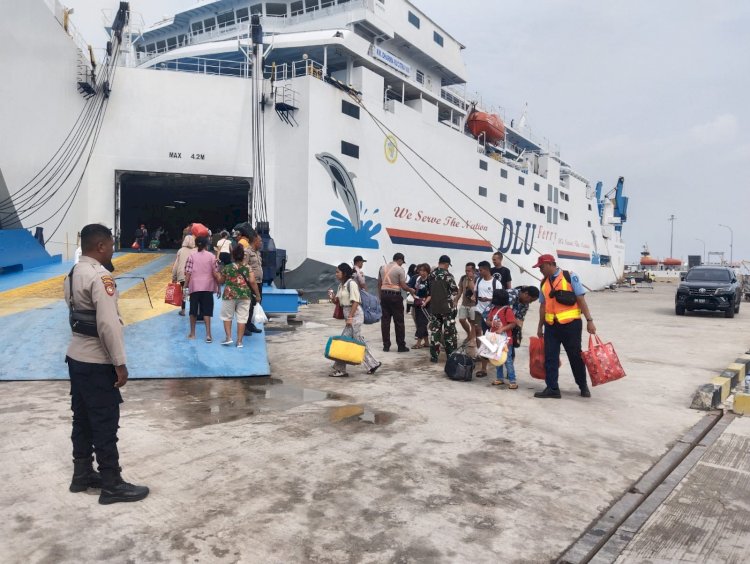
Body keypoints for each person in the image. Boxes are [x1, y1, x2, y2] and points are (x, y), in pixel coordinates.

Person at [64, 223, 149, 504]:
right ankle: (112, 483)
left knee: (82, 418)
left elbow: (73, 310)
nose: (113, 249)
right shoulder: (101, 277)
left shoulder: (73, 272)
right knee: (104, 422)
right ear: (100, 247)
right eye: (111, 245)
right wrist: (119, 363)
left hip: (76, 356)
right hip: (97, 362)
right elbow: (108, 325)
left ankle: (82, 474)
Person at [534, 254, 596, 399]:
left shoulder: (569, 276)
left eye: (541, 267)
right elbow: (543, 306)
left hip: (571, 326)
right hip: (551, 326)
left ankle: (583, 386)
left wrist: (589, 320)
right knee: (550, 358)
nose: (540, 270)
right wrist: (540, 326)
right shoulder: (543, 283)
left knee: (575, 357)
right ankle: (552, 388)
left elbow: (580, 299)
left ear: (550, 264)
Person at [327, 263, 381, 377]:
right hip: (349, 315)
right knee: (356, 341)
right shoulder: (341, 285)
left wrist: (350, 317)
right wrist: (332, 298)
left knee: (345, 340)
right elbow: (338, 302)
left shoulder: (351, 284)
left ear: (344, 273)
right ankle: (372, 364)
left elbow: (356, 301)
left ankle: (340, 369)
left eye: (338, 272)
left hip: (355, 315)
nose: (336, 274)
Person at [218, 245, 259, 348]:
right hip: (244, 295)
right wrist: (257, 295)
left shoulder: (227, 267)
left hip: (229, 295)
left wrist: (216, 273)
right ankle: (239, 342)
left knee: (227, 316)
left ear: (232, 255)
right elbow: (253, 281)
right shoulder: (247, 267)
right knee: (242, 318)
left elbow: (221, 281)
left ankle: (228, 338)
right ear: (243, 256)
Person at [185, 236, 221, 342]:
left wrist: (185, 287)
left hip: (194, 287)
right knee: (207, 311)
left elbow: (188, 273)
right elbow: (215, 273)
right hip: (208, 287)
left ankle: (192, 333)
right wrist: (218, 287)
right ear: (206, 245)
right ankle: (208, 335)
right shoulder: (211, 256)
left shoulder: (191, 256)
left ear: (196, 245)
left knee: (193, 311)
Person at [378, 252, 416, 352]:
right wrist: (410, 290)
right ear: (399, 260)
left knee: (385, 322)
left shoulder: (382, 268)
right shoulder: (399, 269)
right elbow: (403, 286)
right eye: (402, 262)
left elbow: (379, 283)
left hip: (384, 295)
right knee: (399, 322)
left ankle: (386, 345)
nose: (402, 264)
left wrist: (380, 297)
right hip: (395, 297)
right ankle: (401, 346)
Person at [427, 255, 459, 363]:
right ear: (446, 264)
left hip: (435, 307)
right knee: (449, 332)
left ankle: (434, 356)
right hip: (447, 308)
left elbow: (429, 291)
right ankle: (450, 355)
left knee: (435, 331)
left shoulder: (431, 275)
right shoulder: (448, 275)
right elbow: (455, 291)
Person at [485, 289, 518, 389]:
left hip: (506, 340)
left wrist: (502, 329)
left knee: (507, 360)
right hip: (496, 339)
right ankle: (500, 378)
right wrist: (492, 324)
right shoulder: (493, 309)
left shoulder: (507, 310)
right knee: (497, 359)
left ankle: (512, 380)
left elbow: (513, 323)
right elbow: (488, 321)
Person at [473, 261, 498, 377]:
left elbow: (500, 299)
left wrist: (487, 299)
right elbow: (475, 293)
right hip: (479, 311)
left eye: (480, 270)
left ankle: (490, 363)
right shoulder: (478, 280)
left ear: (486, 270)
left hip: (490, 314)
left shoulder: (496, 283)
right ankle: (482, 361)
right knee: (480, 335)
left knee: (489, 338)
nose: (479, 272)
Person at [243, 231, 264, 335]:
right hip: (250, 283)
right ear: (255, 241)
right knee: (249, 304)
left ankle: (250, 324)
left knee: (256, 303)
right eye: (260, 241)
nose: (261, 243)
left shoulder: (257, 252)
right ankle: (245, 326)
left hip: (258, 282)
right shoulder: (247, 252)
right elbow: (244, 267)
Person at [172, 234, 196, 316]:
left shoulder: (180, 250)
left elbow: (176, 264)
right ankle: (194, 311)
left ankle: (183, 310)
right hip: (193, 275)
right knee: (194, 293)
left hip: (182, 274)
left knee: (184, 292)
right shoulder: (196, 251)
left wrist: (174, 277)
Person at [456, 262, 477, 344]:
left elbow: (474, 290)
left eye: (469, 271)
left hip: (473, 305)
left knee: (472, 322)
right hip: (464, 303)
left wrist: (471, 280)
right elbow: (460, 289)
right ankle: (469, 334)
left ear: (474, 270)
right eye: (466, 270)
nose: (467, 272)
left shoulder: (477, 279)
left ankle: (471, 339)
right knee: (461, 319)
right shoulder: (463, 278)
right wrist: (456, 299)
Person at [411, 263, 431, 349]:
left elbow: (431, 294)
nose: (422, 272)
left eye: (424, 271)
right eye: (421, 270)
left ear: (427, 271)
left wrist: (425, 302)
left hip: (426, 305)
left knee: (422, 323)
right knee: (419, 322)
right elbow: (412, 289)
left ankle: (418, 342)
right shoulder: (417, 279)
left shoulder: (429, 281)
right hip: (417, 304)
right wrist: (413, 295)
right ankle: (426, 342)